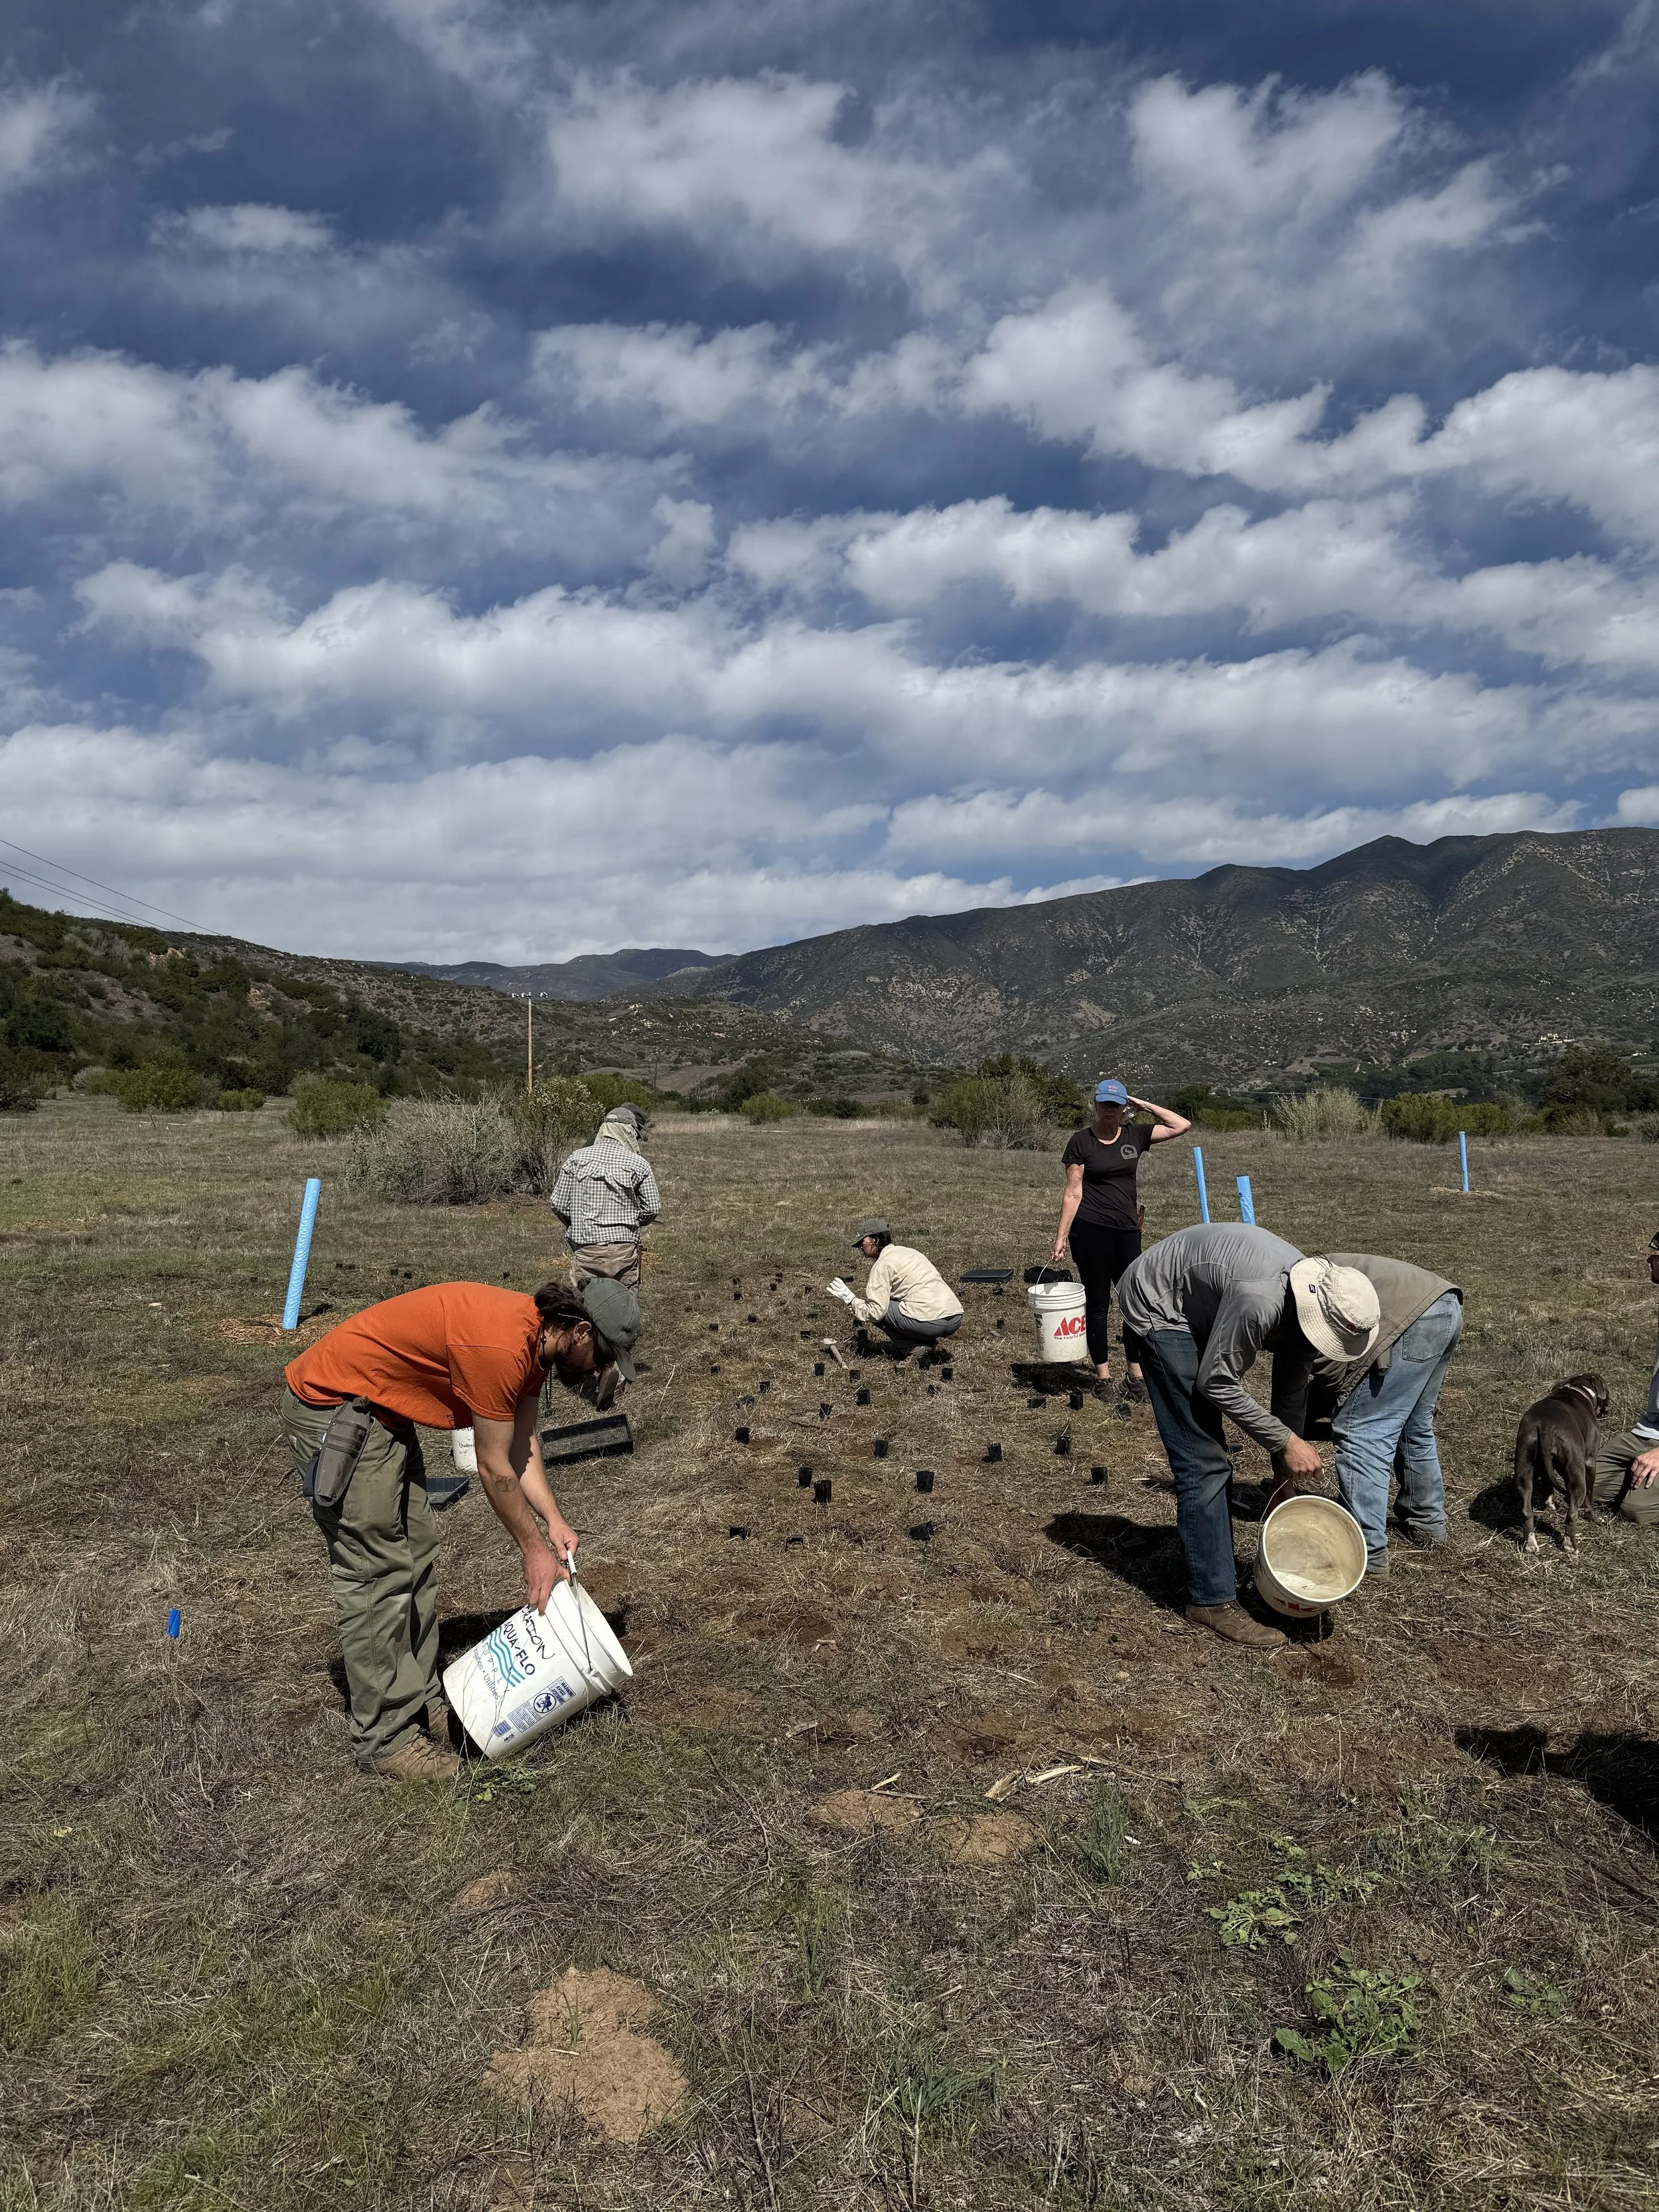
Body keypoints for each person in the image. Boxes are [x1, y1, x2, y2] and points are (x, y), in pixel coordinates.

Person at [281, 1276, 640, 1781]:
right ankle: (387, 1739)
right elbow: (493, 1467)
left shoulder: (537, 1344)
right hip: (337, 1408)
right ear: (580, 1332)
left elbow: (520, 1447)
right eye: (602, 1358)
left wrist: (554, 1520)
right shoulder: (501, 1346)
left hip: (383, 1413)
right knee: (376, 1572)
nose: (599, 1373)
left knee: (416, 1552)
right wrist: (533, 1551)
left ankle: (421, 1701)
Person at [1116, 1226, 1380, 1649]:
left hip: (1202, 1297)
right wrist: (1286, 1443)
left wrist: (1283, 1475)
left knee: (1213, 1448)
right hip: (1159, 1300)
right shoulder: (1261, 1300)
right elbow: (1216, 1383)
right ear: (1315, 1312)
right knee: (1203, 1459)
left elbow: (1291, 1389)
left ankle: (1212, 1566)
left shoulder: (1307, 1305)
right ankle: (1210, 1600)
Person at [1292, 1253, 1463, 1580]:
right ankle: (1426, 1522)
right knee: (1413, 1425)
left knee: (1362, 1431)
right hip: (1443, 1303)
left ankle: (1365, 1554)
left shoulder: (1299, 1296)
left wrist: (1332, 1404)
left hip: (1406, 1319)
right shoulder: (1306, 1272)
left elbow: (1331, 1363)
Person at [1051, 1079, 1192, 1400]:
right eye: (1105, 1104)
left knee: (1134, 1302)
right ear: (1096, 1105)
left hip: (1127, 1231)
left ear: (1124, 1107)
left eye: (1116, 1105)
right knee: (1099, 1303)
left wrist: (1144, 1106)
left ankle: (1135, 1375)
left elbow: (1181, 1125)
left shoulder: (1135, 1135)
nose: (1110, 1111)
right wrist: (1060, 1237)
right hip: (1089, 1232)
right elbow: (1073, 1191)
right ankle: (1103, 1378)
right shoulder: (1080, 1142)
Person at [551, 1103, 660, 1294]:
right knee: (625, 1307)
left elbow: (558, 1203)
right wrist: (631, 1223)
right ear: (629, 1131)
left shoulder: (576, 1158)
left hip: (587, 1250)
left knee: (586, 1308)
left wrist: (578, 1223)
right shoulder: (639, 1163)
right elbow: (652, 1208)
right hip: (625, 1251)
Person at [1593, 1228, 1659, 1526]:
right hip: (1647, 1432)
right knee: (1579, 1487)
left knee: (1636, 1511)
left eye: (1654, 1256)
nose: (1649, 1262)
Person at [830, 1217, 964, 1357]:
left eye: (862, 1242)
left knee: (880, 1309)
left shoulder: (882, 1265)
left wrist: (851, 1300)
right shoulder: (910, 1252)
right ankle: (927, 1343)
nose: (860, 1248)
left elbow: (876, 1312)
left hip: (930, 1323)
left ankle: (914, 1349)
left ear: (874, 1239)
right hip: (954, 1318)